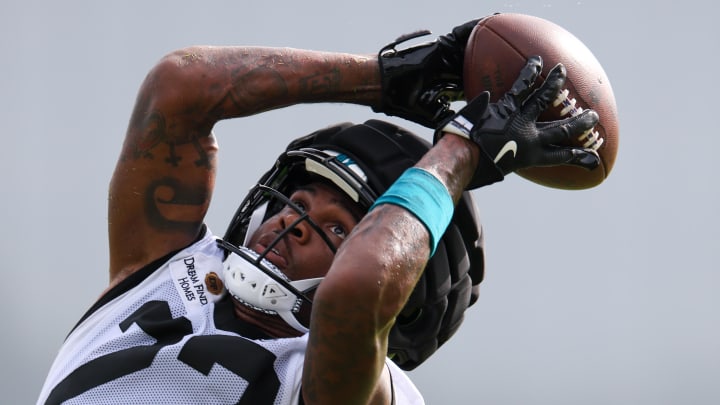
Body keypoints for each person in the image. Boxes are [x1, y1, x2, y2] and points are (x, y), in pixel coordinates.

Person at [37, 16, 599, 405]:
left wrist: (461, 152)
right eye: (297, 201)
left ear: (404, 297)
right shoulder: (165, 268)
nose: (292, 221)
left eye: (336, 227)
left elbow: (354, 293)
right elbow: (179, 86)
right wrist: (382, 77)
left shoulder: (343, 379)